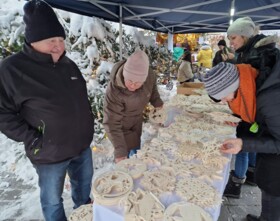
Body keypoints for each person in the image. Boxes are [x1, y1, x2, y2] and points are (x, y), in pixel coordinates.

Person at [0, 1, 94, 221]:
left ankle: (84, 216)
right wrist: (33, 139)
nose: (58, 46)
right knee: (52, 201)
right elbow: (2, 113)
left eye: (60, 39)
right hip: (49, 154)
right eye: (51, 40)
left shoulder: (68, 65)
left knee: (83, 194)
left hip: (81, 148)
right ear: (33, 40)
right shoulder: (12, 69)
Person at [203, 60, 280, 221]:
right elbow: (263, 120)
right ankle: (277, 217)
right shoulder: (253, 85)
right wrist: (241, 120)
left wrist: (244, 144)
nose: (224, 102)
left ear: (234, 87)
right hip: (277, 148)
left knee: (274, 190)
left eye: (223, 97)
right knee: (273, 191)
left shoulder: (272, 99)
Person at [222, 16, 278, 198]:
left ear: (245, 36)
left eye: (234, 38)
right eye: (229, 38)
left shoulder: (257, 55)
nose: (231, 42)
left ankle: (237, 181)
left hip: (255, 111)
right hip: (258, 112)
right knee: (253, 141)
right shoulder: (254, 51)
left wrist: (238, 114)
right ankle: (251, 174)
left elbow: (248, 92)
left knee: (243, 145)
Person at [103, 50, 163, 163]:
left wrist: (158, 104)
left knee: (136, 152)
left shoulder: (149, 76)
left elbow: (152, 91)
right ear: (124, 75)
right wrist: (120, 151)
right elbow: (111, 122)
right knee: (126, 158)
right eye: (130, 81)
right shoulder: (114, 90)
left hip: (136, 122)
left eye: (138, 83)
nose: (133, 85)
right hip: (120, 128)